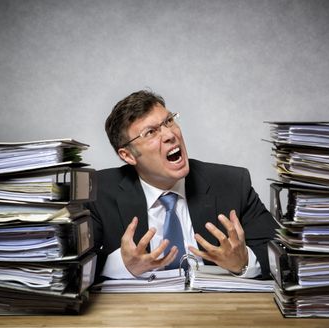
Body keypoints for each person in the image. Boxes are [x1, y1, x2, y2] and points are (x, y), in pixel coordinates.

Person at [90, 90, 278, 281]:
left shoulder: (232, 184)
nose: (170, 134)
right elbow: (72, 270)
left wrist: (243, 262)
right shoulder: (97, 191)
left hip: (219, 308)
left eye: (169, 121)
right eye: (151, 132)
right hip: (140, 309)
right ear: (128, 155)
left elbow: (281, 254)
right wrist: (124, 265)